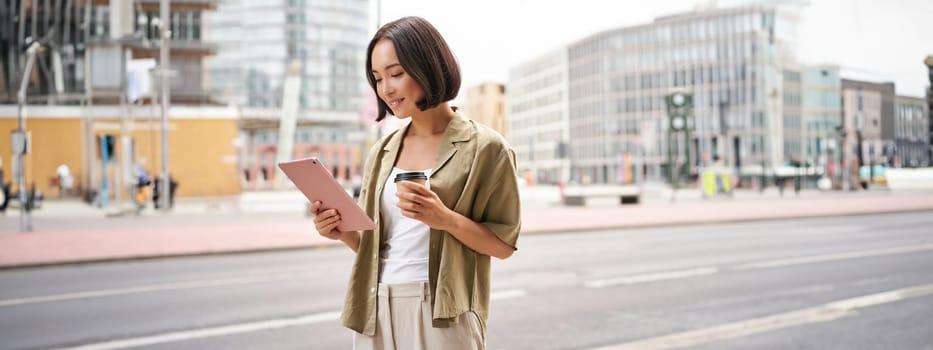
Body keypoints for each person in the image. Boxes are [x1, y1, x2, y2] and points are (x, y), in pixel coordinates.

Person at [310, 16, 521, 349]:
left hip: (442, 312)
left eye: (396, 74)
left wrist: (444, 219)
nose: (386, 89)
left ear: (428, 66)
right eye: (378, 79)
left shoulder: (486, 147)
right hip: (375, 308)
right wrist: (340, 232)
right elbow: (376, 249)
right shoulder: (382, 151)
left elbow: (503, 245)